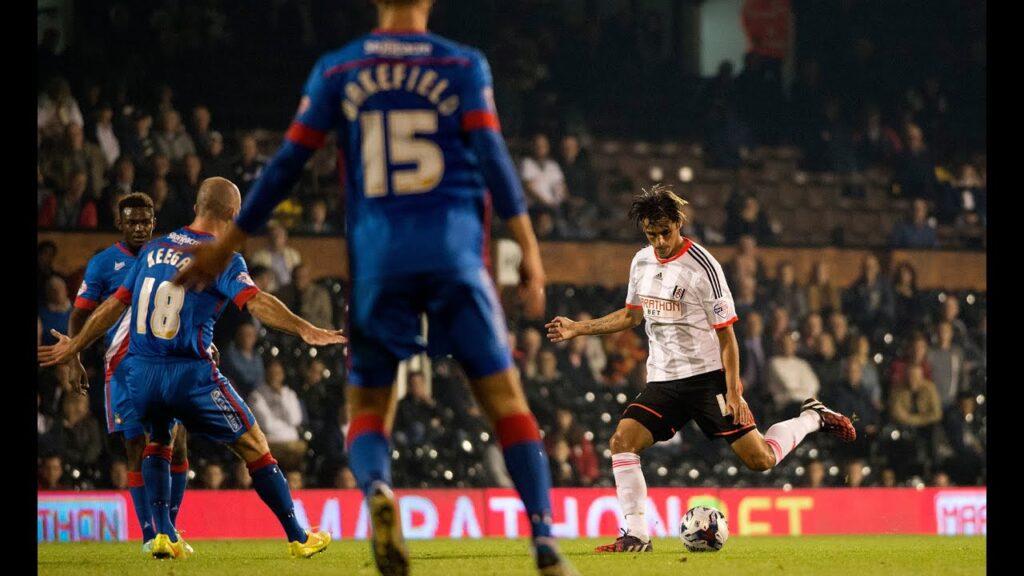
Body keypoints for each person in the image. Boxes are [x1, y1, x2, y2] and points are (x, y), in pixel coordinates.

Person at [171, 2, 572, 574]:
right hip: (457, 258)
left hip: (381, 264)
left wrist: (227, 243)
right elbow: (493, 159)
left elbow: (287, 164)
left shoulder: (339, 69)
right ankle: (544, 539)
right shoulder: (463, 65)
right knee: (507, 403)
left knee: (368, 408)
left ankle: (380, 489)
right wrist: (529, 249)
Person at [39, 177, 341, 560]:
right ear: (233, 214)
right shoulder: (221, 257)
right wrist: (304, 328)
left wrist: (75, 346)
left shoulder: (152, 249)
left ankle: (163, 534)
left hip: (141, 372)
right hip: (189, 372)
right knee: (254, 446)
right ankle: (299, 536)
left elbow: (114, 306)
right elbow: (256, 301)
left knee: (159, 441)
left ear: (197, 206)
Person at [546, 183, 856, 553]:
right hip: (663, 380)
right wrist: (579, 328)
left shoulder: (703, 267)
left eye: (664, 232)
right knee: (621, 441)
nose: (659, 241)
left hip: (709, 381)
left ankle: (812, 417)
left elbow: (728, 338)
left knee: (761, 460)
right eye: (651, 234)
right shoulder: (641, 261)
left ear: (679, 223)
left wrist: (735, 392)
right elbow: (631, 316)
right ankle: (637, 535)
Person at [65, 192, 193, 553]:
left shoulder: (170, 259)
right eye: (132, 221)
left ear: (154, 222)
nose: (139, 227)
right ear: (120, 223)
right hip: (122, 368)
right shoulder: (104, 264)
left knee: (179, 446)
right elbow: (78, 315)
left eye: (145, 220)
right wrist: (74, 358)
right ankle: (151, 535)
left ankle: (171, 527)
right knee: (136, 447)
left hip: (169, 364)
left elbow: (187, 306)